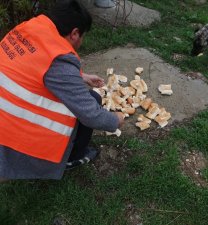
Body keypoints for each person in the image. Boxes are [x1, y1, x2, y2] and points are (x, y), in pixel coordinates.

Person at [0, 0, 124, 181]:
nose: (82, 41)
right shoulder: (59, 60)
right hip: (13, 137)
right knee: (93, 100)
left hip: (5, 111)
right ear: (74, 33)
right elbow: (90, 114)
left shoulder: (30, 27)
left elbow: (34, 65)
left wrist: (81, 76)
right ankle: (72, 157)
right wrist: (115, 120)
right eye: (83, 36)